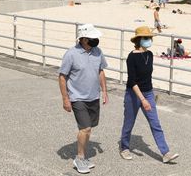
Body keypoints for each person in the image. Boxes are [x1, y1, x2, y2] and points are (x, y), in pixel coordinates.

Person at [120, 26, 179, 163]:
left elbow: (147, 77)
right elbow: (132, 81)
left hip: (148, 93)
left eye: (150, 38)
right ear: (139, 40)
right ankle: (124, 147)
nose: (149, 40)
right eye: (146, 38)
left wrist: (150, 96)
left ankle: (165, 153)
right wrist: (143, 99)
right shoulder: (131, 57)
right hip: (133, 94)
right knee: (129, 123)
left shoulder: (150, 54)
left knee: (155, 123)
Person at [58, 24, 108, 174]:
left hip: (94, 96)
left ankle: (83, 156)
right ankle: (79, 158)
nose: (97, 40)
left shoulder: (98, 52)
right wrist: (65, 99)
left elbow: (101, 71)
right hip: (77, 97)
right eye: (93, 38)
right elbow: (62, 77)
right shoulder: (71, 54)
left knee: (89, 129)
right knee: (85, 128)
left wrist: (104, 91)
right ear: (84, 39)